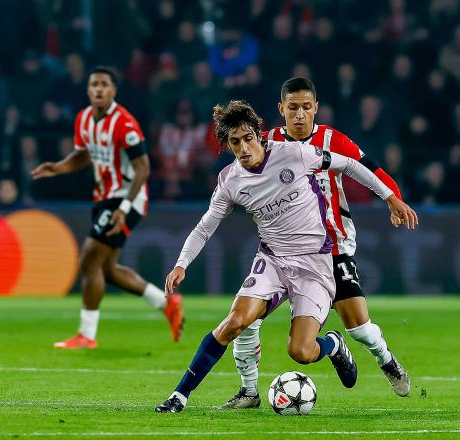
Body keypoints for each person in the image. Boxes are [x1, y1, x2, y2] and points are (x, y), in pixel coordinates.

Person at [155, 100, 417, 413]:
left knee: (301, 351)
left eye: (248, 138)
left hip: (314, 263)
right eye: (235, 142)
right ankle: (180, 396)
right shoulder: (230, 181)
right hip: (273, 261)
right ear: (227, 145)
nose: (243, 148)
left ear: (258, 135)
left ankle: (332, 344)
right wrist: (182, 263)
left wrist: (390, 197)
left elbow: (348, 165)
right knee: (235, 323)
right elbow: (204, 227)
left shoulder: (294, 154)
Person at [221, 78, 413, 410]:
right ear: (281, 109)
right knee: (247, 319)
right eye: (292, 108)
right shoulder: (266, 142)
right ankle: (249, 391)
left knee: (360, 328)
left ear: (315, 108)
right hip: (283, 253)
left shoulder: (333, 140)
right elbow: (240, 169)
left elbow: (367, 169)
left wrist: (392, 198)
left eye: (305, 107)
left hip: (333, 246)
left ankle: (386, 359)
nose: (299, 115)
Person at [31, 66, 184, 348]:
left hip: (127, 197)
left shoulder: (124, 123)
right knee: (107, 270)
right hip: (103, 198)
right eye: (94, 84)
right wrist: (58, 168)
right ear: (88, 90)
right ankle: (167, 304)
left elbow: (143, 168)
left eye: (104, 84)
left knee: (89, 258)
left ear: (113, 90)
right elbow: (82, 156)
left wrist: (124, 207)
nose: (98, 89)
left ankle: (86, 335)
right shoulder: (84, 119)